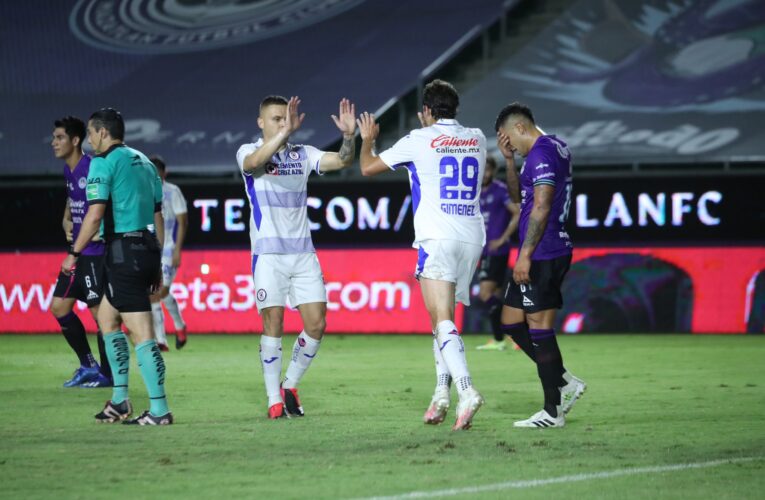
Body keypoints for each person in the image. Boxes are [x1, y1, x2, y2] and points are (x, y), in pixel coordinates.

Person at [357, 79, 485, 431]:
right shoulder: (477, 137)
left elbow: (366, 168)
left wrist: (367, 139)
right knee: (443, 324)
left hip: (437, 237)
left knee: (441, 319)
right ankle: (441, 395)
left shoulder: (418, 139)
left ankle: (466, 390)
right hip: (472, 237)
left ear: (426, 111)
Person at [236, 96, 357, 419]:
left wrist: (348, 137)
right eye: (275, 119)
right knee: (273, 323)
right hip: (269, 256)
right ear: (261, 123)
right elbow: (253, 164)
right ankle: (274, 399)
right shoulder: (248, 152)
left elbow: (344, 161)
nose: (281, 123)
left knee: (317, 324)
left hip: (303, 255)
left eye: (285, 118)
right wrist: (281, 135)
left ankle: (290, 384)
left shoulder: (303, 155)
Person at [61, 107, 173, 425]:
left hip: (124, 251)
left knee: (143, 335)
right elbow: (157, 214)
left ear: (102, 133)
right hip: (145, 248)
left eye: (92, 133)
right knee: (108, 320)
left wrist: (74, 253)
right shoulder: (145, 162)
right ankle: (121, 401)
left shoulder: (103, 162)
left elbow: (94, 214)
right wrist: (156, 259)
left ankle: (160, 410)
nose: (91, 140)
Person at [494, 102, 586, 428]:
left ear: (520, 127)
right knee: (510, 320)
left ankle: (552, 410)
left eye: (508, 140)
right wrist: (508, 160)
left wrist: (525, 254)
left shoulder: (541, 154)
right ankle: (563, 379)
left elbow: (542, 206)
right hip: (541, 250)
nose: (510, 147)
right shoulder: (552, 147)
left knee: (538, 326)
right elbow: (521, 198)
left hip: (545, 252)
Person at [50, 116, 112, 388]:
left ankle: (108, 375)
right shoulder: (69, 171)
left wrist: (101, 229)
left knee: (100, 316)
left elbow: (105, 204)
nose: (54, 142)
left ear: (75, 140)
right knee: (59, 307)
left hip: (94, 253)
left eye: (59, 137)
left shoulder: (91, 167)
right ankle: (88, 364)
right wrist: (66, 220)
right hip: (78, 251)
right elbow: (71, 200)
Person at [475, 156, 520, 351]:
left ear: (493, 171)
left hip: (496, 250)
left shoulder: (500, 190)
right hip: (482, 250)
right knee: (496, 295)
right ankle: (503, 338)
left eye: (488, 170)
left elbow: (517, 212)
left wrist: (502, 238)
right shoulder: (473, 192)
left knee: (485, 293)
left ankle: (511, 334)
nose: (485, 174)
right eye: (482, 170)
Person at [149, 156, 189, 351]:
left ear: (164, 173)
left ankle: (161, 341)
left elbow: (183, 222)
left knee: (159, 292)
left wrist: (178, 251)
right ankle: (179, 327)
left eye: (157, 173)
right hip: (149, 249)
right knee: (157, 293)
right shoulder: (144, 192)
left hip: (168, 250)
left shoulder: (173, 192)